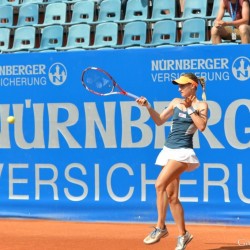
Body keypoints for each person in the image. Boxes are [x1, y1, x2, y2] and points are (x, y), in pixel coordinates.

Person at [136, 73, 208, 250]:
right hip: (168, 151)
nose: (179, 88)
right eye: (179, 86)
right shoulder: (175, 101)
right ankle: (184, 235)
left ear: (193, 86)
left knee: (159, 185)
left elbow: (202, 126)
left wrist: (190, 109)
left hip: (183, 153)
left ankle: (160, 227)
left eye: (183, 85)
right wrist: (148, 107)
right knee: (172, 197)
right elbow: (159, 120)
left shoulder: (201, 105)